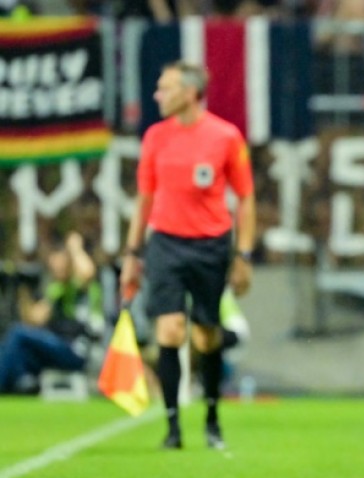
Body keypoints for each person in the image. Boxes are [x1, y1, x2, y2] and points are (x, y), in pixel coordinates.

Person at [121, 61, 255, 450]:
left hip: (211, 244)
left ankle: (212, 419)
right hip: (165, 242)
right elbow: (144, 198)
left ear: (190, 92)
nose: (157, 96)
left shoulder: (226, 137)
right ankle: (173, 427)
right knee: (170, 329)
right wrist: (133, 252)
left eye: (165, 88)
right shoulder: (154, 138)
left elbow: (245, 197)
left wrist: (243, 253)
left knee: (206, 334)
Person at [0, 232, 103, 394]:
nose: (57, 266)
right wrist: (22, 290)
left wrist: (75, 248)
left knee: (16, 333)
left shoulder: (78, 284)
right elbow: (35, 319)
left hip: (76, 348)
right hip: (56, 346)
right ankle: (24, 383)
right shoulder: (55, 288)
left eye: (61, 261)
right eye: (54, 261)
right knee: (13, 347)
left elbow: (88, 272)